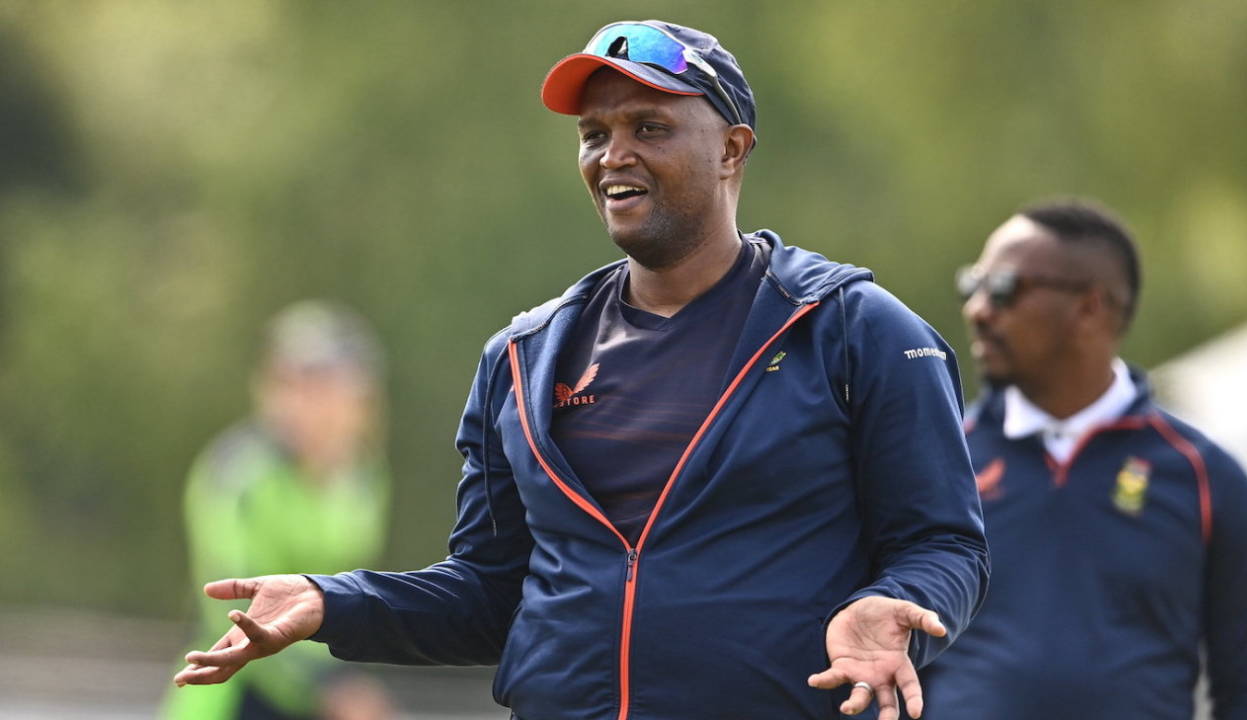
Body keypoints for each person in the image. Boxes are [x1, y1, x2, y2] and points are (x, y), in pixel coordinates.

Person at [173, 21, 989, 720]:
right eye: (594, 134)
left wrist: (890, 609)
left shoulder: (855, 332)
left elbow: (944, 542)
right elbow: (490, 597)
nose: (612, 154)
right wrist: (334, 604)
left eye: (650, 127)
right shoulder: (523, 359)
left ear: (733, 149)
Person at [920, 200, 1247, 719]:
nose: (977, 308)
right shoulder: (937, 459)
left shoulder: (1205, 478)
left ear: (1089, 308)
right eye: (970, 286)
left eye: (1002, 288)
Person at [164, 300, 395, 720]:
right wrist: (330, 687)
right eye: (294, 384)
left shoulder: (364, 477)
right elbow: (231, 611)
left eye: (326, 385)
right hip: (233, 696)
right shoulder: (239, 475)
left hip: (318, 703)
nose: (308, 403)